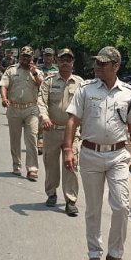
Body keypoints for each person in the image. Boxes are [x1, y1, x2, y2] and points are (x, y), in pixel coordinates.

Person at [63, 46, 131, 260]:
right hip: (90, 154)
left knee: (121, 206)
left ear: (116, 66)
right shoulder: (86, 90)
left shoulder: (128, 93)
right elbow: (72, 120)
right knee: (93, 208)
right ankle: (94, 253)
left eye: (103, 63)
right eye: (97, 62)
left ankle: (116, 254)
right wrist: (68, 149)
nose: (98, 66)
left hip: (118, 155)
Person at [38, 48, 84, 216]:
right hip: (52, 130)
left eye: (68, 60)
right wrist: (44, 117)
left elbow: (85, 107)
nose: (65, 62)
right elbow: (41, 101)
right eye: (62, 59)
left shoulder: (80, 83)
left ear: (73, 63)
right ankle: (51, 193)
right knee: (51, 165)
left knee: (71, 164)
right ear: (57, 62)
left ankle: (70, 200)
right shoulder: (49, 81)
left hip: (72, 133)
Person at [0, 45, 44, 179]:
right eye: (23, 56)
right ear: (19, 57)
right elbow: (3, 85)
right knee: (15, 139)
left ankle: (32, 169)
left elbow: (41, 85)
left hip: (31, 108)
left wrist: (34, 72)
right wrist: (4, 98)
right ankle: (16, 165)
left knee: (31, 139)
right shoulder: (11, 70)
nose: (25, 59)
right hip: (14, 108)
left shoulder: (37, 71)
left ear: (32, 58)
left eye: (28, 57)